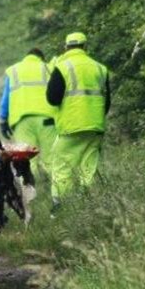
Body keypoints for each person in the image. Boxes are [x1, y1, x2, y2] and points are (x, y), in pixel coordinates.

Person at [45, 32, 111, 209]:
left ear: (66, 47)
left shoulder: (62, 67)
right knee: (88, 168)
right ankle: (89, 206)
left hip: (70, 127)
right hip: (95, 127)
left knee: (62, 167)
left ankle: (62, 207)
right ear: (85, 47)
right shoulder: (100, 68)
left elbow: (52, 98)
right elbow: (107, 101)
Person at [0, 48, 58, 175]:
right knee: (51, 159)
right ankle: (56, 192)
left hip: (21, 122)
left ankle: (30, 192)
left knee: (26, 160)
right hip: (46, 120)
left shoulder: (14, 70)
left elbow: (6, 98)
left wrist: (3, 120)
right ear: (41, 58)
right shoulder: (48, 68)